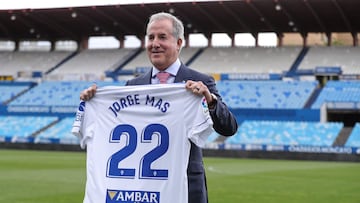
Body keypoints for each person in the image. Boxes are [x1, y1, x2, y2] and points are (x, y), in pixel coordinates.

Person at [80, 12, 238, 203]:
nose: (155, 43)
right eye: (151, 37)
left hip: (185, 189)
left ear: (179, 43)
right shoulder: (132, 86)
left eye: (162, 37)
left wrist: (209, 99)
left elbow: (228, 127)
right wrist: (94, 101)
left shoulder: (201, 81)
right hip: (142, 190)